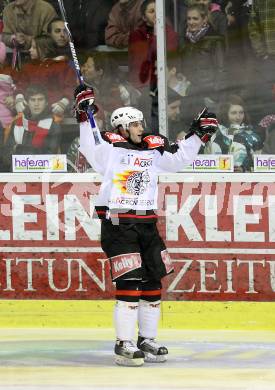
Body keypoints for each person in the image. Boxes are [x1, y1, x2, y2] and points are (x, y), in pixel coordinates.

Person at [74, 84, 218, 366]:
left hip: (147, 224)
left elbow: (179, 160)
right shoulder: (110, 149)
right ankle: (124, 343)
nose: (141, 127)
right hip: (119, 225)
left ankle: (147, 339)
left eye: (141, 121)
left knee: (153, 280)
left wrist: (198, 136)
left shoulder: (154, 149)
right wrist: (83, 113)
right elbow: (89, 145)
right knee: (129, 283)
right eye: (135, 123)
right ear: (123, 127)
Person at [3, 84, 61, 171]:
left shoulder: (54, 127)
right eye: (33, 100)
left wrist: (18, 148)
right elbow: (6, 157)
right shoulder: (17, 123)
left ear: (46, 103)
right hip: (17, 176)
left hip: (42, 177)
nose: (36, 104)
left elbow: (49, 159)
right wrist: (36, 151)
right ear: (27, 102)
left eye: (40, 100)